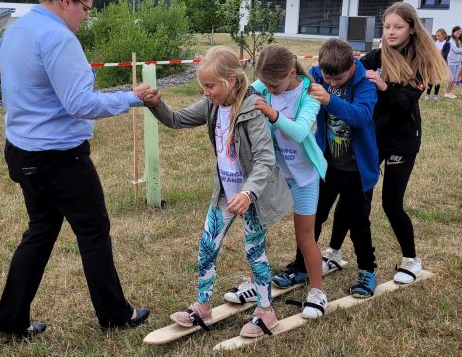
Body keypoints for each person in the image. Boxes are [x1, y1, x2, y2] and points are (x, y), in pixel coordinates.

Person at [0, 0, 157, 337]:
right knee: (93, 230)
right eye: (86, 9)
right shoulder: (59, 38)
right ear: (67, 0)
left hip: (21, 151)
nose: (86, 17)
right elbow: (79, 103)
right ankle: (115, 314)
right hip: (59, 158)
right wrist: (133, 98)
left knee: (40, 231)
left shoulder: (16, 29)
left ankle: (10, 321)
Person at [149, 46, 293, 338]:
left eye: (210, 86)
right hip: (225, 194)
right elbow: (176, 119)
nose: (205, 92)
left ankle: (266, 312)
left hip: (251, 199)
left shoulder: (253, 109)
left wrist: (248, 193)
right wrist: (156, 104)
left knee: (255, 253)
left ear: (232, 81)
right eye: (203, 86)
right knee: (207, 246)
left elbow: (265, 159)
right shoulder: (212, 105)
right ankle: (202, 307)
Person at [224, 44, 328, 319]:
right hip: (272, 175)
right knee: (256, 231)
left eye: (274, 85)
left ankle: (317, 291)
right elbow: (241, 91)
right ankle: (254, 283)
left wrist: (272, 114)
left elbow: (300, 131)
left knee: (304, 236)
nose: (268, 89)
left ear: (292, 73)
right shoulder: (263, 85)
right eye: (265, 84)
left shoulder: (309, 93)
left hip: (303, 177)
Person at [274, 38, 381, 299]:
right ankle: (301, 267)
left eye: (338, 79)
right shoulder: (315, 76)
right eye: (327, 78)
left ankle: (367, 271)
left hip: (357, 170)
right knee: (313, 217)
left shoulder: (365, 83)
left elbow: (361, 116)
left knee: (358, 222)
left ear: (351, 67)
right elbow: (292, 79)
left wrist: (329, 100)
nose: (331, 83)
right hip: (324, 166)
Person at [361, 2, 448, 284]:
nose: (391, 32)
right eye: (387, 26)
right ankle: (335, 252)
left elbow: (404, 105)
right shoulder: (375, 57)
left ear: (411, 29)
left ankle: (411, 259)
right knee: (358, 196)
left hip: (402, 141)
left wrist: (384, 87)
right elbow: (348, 73)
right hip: (374, 137)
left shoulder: (420, 63)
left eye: (398, 27)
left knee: (391, 203)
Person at [445, 25, 462, 98]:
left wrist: (461, 51)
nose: (459, 33)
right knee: (450, 78)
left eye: (460, 32)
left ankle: (450, 92)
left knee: (454, 78)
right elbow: (456, 50)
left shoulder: (461, 40)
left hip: (459, 61)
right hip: (451, 61)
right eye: (457, 31)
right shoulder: (451, 40)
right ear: (453, 32)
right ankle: (447, 92)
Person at [425, 28, 447, 101]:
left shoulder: (446, 43)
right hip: (433, 63)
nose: (437, 37)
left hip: (441, 64)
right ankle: (427, 94)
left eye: (439, 35)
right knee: (431, 79)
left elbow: (444, 54)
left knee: (438, 79)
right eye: (436, 35)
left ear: (443, 35)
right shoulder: (436, 42)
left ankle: (436, 95)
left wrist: (438, 53)